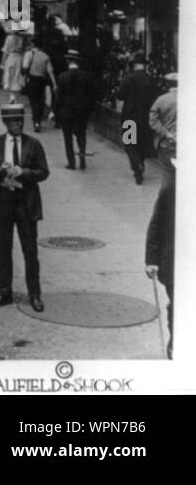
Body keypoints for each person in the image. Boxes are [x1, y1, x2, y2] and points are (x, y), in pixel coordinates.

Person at [0, 102, 49, 312]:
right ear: (6, 123)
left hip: (25, 203)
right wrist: (0, 171)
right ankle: (4, 292)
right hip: (2, 203)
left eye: (20, 121)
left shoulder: (33, 144)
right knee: (3, 250)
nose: (18, 125)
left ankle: (35, 294)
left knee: (30, 251)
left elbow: (43, 172)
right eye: (13, 122)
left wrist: (24, 173)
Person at [145, 159, 175, 358]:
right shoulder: (172, 189)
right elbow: (157, 224)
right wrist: (152, 259)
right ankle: (176, 346)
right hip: (176, 263)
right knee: (178, 306)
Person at [118, 53, 160, 185]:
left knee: (129, 143)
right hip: (145, 119)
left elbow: (120, 96)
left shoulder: (128, 79)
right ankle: (139, 171)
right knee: (141, 144)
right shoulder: (151, 80)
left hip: (130, 118)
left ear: (134, 66)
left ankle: (136, 165)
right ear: (144, 66)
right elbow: (156, 98)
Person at [53, 49, 94, 170]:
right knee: (81, 135)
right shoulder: (86, 77)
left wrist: (54, 111)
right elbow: (90, 95)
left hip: (67, 112)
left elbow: (59, 97)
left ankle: (71, 162)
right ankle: (82, 154)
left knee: (68, 138)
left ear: (68, 62)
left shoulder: (62, 77)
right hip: (82, 112)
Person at [20, 31, 56, 133]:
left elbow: (25, 67)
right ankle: (38, 120)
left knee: (33, 101)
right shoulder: (45, 56)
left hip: (32, 79)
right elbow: (50, 71)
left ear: (33, 44)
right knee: (41, 101)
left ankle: (36, 121)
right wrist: (54, 84)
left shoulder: (28, 54)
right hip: (42, 80)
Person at [148, 73, 177, 173]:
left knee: (168, 174)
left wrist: (166, 133)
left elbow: (153, 121)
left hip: (167, 142)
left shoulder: (162, 100)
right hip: (186, 143)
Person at [1, 26, 26, 95]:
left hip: (11, 56)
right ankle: (14, 90)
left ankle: (9, 88)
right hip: (19, 56)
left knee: (8, 71)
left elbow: (5, 50)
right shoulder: (21, 39)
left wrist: (2, 61)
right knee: (17, 73)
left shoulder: (9, 38)